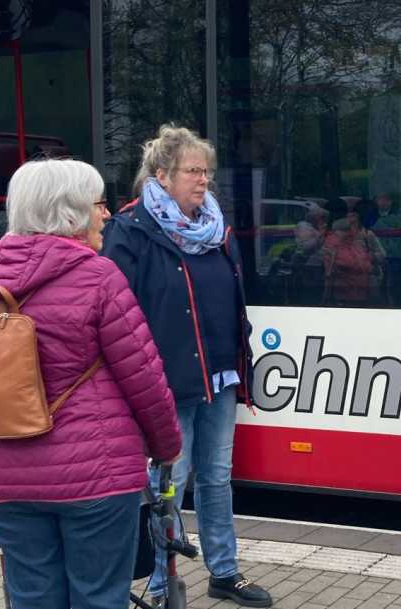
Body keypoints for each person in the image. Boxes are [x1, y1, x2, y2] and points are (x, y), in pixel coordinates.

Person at [0, 159, 183, 609]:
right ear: (70, 214)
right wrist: (165, 448)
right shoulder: (99, 277)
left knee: (32, 599)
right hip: (97, 482)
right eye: (99, 204)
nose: (106, 215)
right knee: (99, 598)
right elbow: (144, 377)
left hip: (6, 482)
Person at [100, 124, 271, 608]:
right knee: (164, 488)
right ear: (162, 174)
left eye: (207, 172)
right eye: (193, 171)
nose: (204, 181)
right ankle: (160, 585)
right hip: (166, 384)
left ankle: (225, 571)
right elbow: (115, 314)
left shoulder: (217, 228)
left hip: (220, 374)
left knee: (217, 477)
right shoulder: (130, 230)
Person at [322, 196, 386, 305]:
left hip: (360, 288)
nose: (351, 222)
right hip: (344, 288)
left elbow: (381, 255)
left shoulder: (366, 234)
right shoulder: (333, 235)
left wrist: (370, 257)